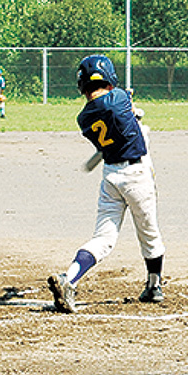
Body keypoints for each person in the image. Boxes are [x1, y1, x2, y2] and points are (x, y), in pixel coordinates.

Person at [48, 55, 166, 312]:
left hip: (110, 176)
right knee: (149, 233)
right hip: (137, 175)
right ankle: (154, 286)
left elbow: (116, 128)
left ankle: (69, 278)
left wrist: (133, 119)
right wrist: (134, 114)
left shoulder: (83, 119)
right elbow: (123, 107)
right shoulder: (121, 97)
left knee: (103, 238)